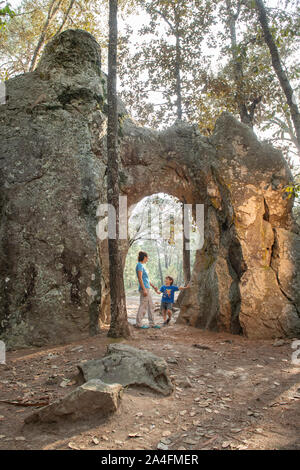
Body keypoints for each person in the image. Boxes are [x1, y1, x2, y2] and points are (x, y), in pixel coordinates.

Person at [135, 251, 161, 329]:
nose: (147, 259)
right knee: (143, 306)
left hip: (147, 288)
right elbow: (140, 278)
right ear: (144, 257)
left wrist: (153, 286)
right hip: (144, 289)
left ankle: (152, 323)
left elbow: (146, 279)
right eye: (147, 258)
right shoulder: (139, 265)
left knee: (151, 306)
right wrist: (144, 289)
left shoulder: (142, 266)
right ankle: (139, 324)